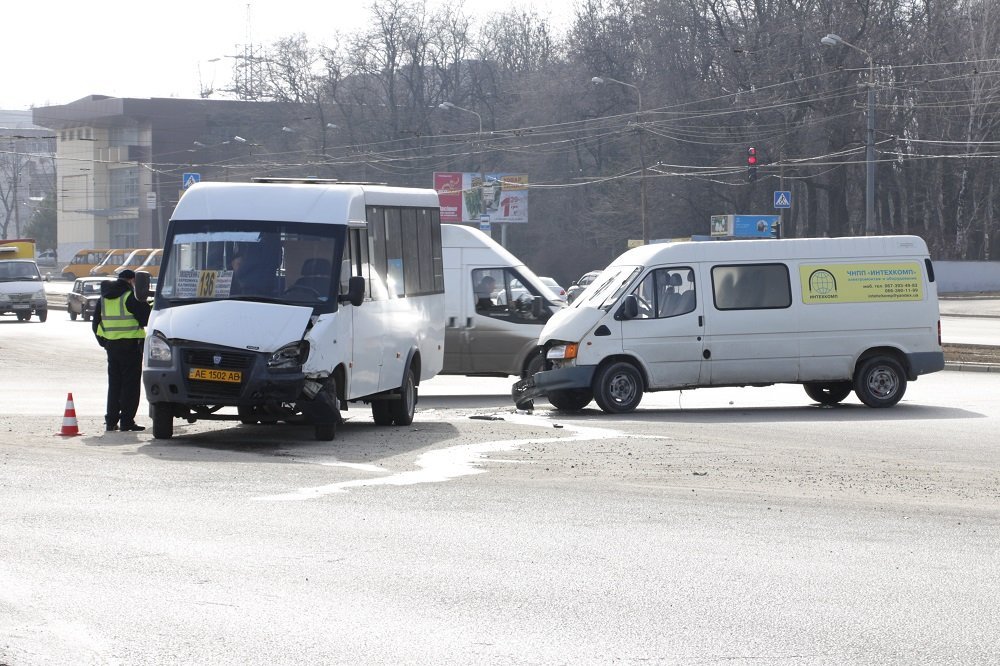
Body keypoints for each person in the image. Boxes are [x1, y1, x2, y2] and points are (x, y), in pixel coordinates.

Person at [93, 269, 151, 432]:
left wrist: (104, 342)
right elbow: (145, 319)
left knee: (114, 385)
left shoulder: (103, 298)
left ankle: (111, 421)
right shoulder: (130, 296)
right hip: (131, 346)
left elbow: (95, 323)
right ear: (132, 280)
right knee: (130, 386)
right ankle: (127, 421)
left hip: (112, 347)